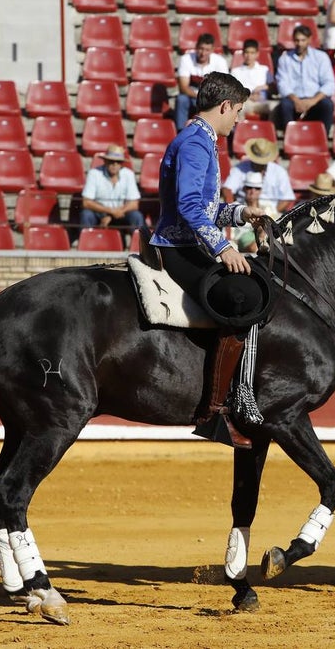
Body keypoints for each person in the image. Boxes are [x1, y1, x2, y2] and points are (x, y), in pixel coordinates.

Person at [150, 72, 264, 449]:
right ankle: (215, 412)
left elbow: (207, 208)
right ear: (225, 106)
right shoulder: (196, 144)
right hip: (177, 248)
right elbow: (188, 207)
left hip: (186, 244)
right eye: (239, 111)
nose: (240, 119)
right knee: (240, 298)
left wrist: (241, 215)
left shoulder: (200, 140)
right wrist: (224, 248)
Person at [274, 25, 335, 133]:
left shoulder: (321, 57)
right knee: (285, 105)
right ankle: (290, 138)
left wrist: (313, 100)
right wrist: (296, 100)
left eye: (303, 40)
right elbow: (282, 83)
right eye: (297, 40)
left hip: (315, 100)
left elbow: (329, 83)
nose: (300, 43)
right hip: (294, 99)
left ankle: (323, 139)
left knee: (327, 105)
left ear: (309, 40)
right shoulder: (285, 58)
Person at [222, 138, 295, 216]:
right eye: (249, 188)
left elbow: (287, 198)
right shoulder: (239, 168)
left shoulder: (279, 171)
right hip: (244, 209)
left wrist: (271, 214)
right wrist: (234, 209)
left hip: (271, 211)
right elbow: (227, 189)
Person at [80, 145, 145, 232]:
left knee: (136, 216)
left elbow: (134, 204)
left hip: (121, 213)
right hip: (99, 213)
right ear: (105, 161)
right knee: (86, 215)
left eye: (118, 162)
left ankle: (138, 244)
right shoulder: (94, 173)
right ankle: (86, 242)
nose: (115, 164)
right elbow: (86, 203)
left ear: (121, 163)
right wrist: (110, 211)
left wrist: (113, 214)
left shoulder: (128, 174)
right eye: (111, 161)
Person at [175, 33, 229, 128]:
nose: (203, 53)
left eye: (207, 50)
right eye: (201, 49)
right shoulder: (186, 59)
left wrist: (207, 98)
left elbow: (223, 87)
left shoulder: (220, 62)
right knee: (181, 99)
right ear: (196, 47)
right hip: (192, 97)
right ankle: (181, 131)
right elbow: (183, 87)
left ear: (212, 50)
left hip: (211, 99)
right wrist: (200, 97)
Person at [229, 39, 271, 120]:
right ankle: (240, 132)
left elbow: (273, 87)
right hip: (245, 102)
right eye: (247, 52)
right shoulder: (236, 71)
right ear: (243, 53)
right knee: (238, 107)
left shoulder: (264, 70)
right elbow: (233, 91)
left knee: (274, 107)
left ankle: (272, 132)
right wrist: (248, 97)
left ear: (257, 54)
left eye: (252, 53)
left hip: (262, 102)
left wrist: (264, 87)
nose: (249, 56)